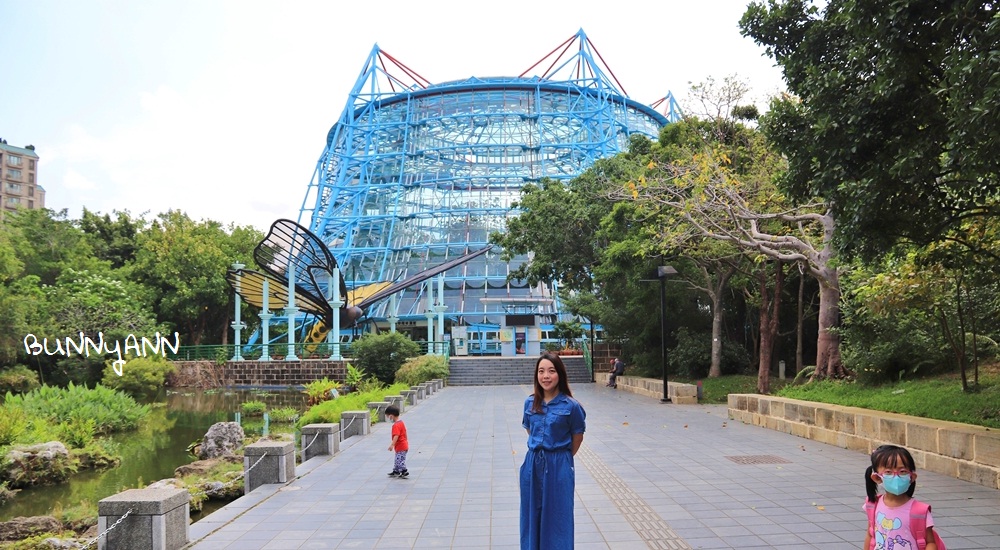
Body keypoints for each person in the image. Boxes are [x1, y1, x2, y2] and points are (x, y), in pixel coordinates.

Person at [520, 352, 586, 550]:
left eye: (551, 371)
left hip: (559, 467)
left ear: (560, 375)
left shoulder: (572, 406)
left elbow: (577, 437)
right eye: (541, 371)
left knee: (558, 517)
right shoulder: (529, 403)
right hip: (532, 466)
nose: (545, 376)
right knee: (531, 515)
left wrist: (559, 458)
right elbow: (530, 431)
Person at [863, 444, 939, 550]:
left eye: (902, 471)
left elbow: (930, 542)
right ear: (877, 478)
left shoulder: (920, 511)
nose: (896, 476)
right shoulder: (873, 505)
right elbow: (871, 535)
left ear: (911, 477)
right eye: (888, 472)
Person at [386, 405, 409, 478]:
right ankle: (396, 470)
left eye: (387, 416)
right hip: (403, 445)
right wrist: (406, 440)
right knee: (397, 459)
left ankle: (404, 471)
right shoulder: (401, 422)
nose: (388, 418)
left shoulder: (395, 425)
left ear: (391, 416)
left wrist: (392, 444)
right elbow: (405, 432)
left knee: (400, 460)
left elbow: (396, 435)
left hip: (401, 446)